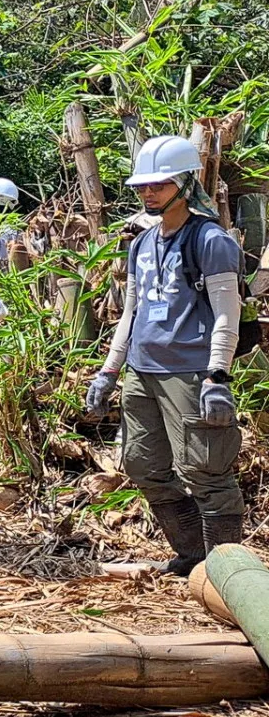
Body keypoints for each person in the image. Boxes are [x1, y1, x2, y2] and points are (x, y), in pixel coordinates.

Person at [85, 135, 244, 576]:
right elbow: (131, 313)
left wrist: (217, 377)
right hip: (142, 371)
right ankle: (193, 559)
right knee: (143, 465)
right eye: (143, 186)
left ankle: (229, 574)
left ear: (186, 183)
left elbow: (227, 313)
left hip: (190, 372)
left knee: (206, 471)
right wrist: (108, 371)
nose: (148, 193)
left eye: (159, 184)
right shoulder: (141, 244)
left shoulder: (211, 241)